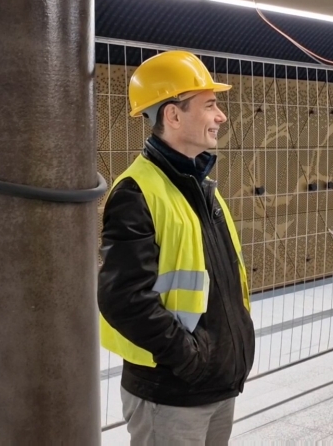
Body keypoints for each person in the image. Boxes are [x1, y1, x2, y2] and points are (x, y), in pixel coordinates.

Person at [97, 50, 255, 445]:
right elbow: (124, 299)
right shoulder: (137, 191)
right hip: (171, 393)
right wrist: (191, 359)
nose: (220, 116)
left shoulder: (199, 186)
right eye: (210, 105)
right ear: (172, 115)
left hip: (216, 385)